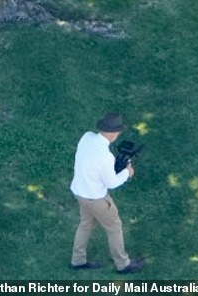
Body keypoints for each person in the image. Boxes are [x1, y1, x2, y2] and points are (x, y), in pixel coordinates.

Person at [70, 112, 144, 274]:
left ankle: (78, 260)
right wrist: (127, 172)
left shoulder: (87, 137)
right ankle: (123, 264)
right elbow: (112, 183)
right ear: (115, 133)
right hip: (96, 198)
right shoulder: (105, 157)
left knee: (86, 224)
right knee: (114, 227)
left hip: (79, 192)